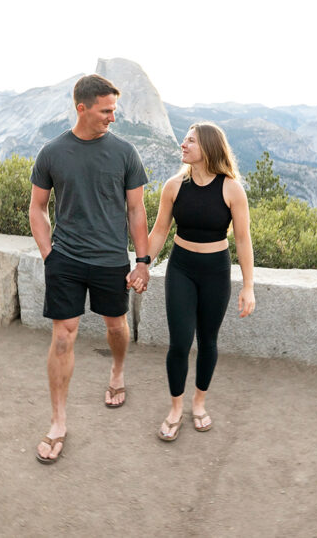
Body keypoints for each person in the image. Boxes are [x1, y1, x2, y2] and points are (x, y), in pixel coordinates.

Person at [29, 74, 151, 464]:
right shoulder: (51, 152)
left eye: (114, 109)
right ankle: (58, 421)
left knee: (116, 326)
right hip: (65, 259)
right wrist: (50, 255)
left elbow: (136, 211)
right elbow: (37, 208)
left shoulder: (126, 153)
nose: (113, 117)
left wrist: (143, 261)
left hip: (111, 259)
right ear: (81, 108)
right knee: (63, 337)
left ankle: (116, 372)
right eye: (106, 110)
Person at [135, 121, 255, 442]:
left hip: (216, 271)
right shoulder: (174, 187)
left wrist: (248, 286)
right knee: (179, 342)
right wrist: (143, 264)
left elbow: (243, 240)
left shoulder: (231, 189)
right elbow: (160, 231)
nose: (183, 145)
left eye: (190, 141)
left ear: (209, 148)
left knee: (208, 341)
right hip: (182, 269)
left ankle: (198, 403)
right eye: (184, 140)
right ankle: (176, 408)